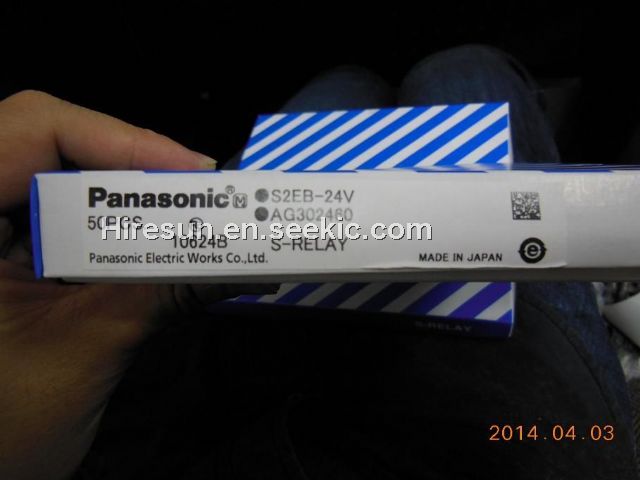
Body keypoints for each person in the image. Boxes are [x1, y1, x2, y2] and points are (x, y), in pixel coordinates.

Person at [0, 46, 636, 480]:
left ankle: (367, 76)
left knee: (358, 85)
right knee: (467, 65)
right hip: (465, 440)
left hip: (234, 375)